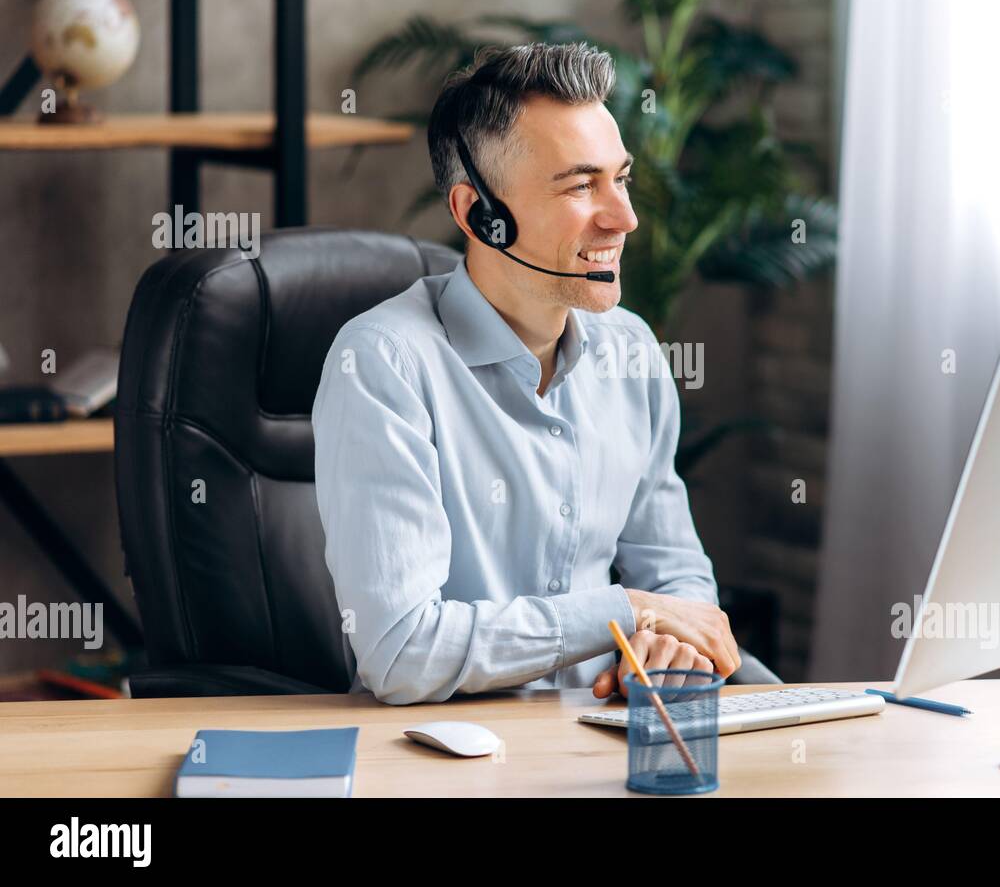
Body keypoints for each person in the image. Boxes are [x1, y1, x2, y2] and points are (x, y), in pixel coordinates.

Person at [312, 42, 741, 704]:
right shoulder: (383, 364)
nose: (624, 217)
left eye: (620, 179)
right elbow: (400, 651)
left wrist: (667, 646)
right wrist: (623, 614)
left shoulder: (631, 352)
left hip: (604, 742)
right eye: (580, 185)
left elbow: (677, 576)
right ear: (479, 215)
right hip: (442, 764)